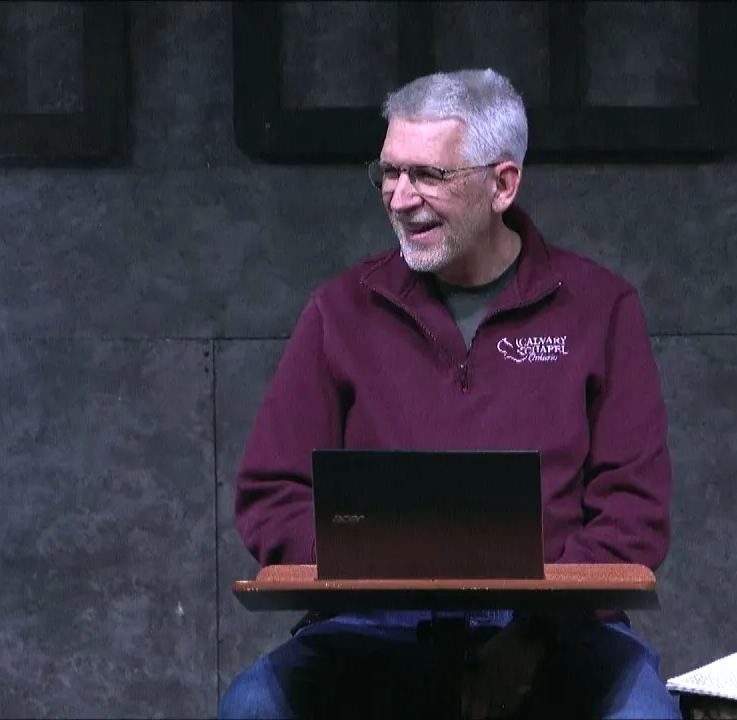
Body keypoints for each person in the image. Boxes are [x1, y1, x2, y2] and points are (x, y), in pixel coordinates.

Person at [218, 68, 680, 720]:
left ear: (502, 184)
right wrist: (364, 571)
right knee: (253, 707)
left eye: (428, 175)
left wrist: (534, 634)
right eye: (389, 173)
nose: (400, 198)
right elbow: (272, 492)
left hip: (559, 626)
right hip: (375, 624)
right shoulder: (339, 311)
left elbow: (632, 512)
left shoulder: (601, 308)